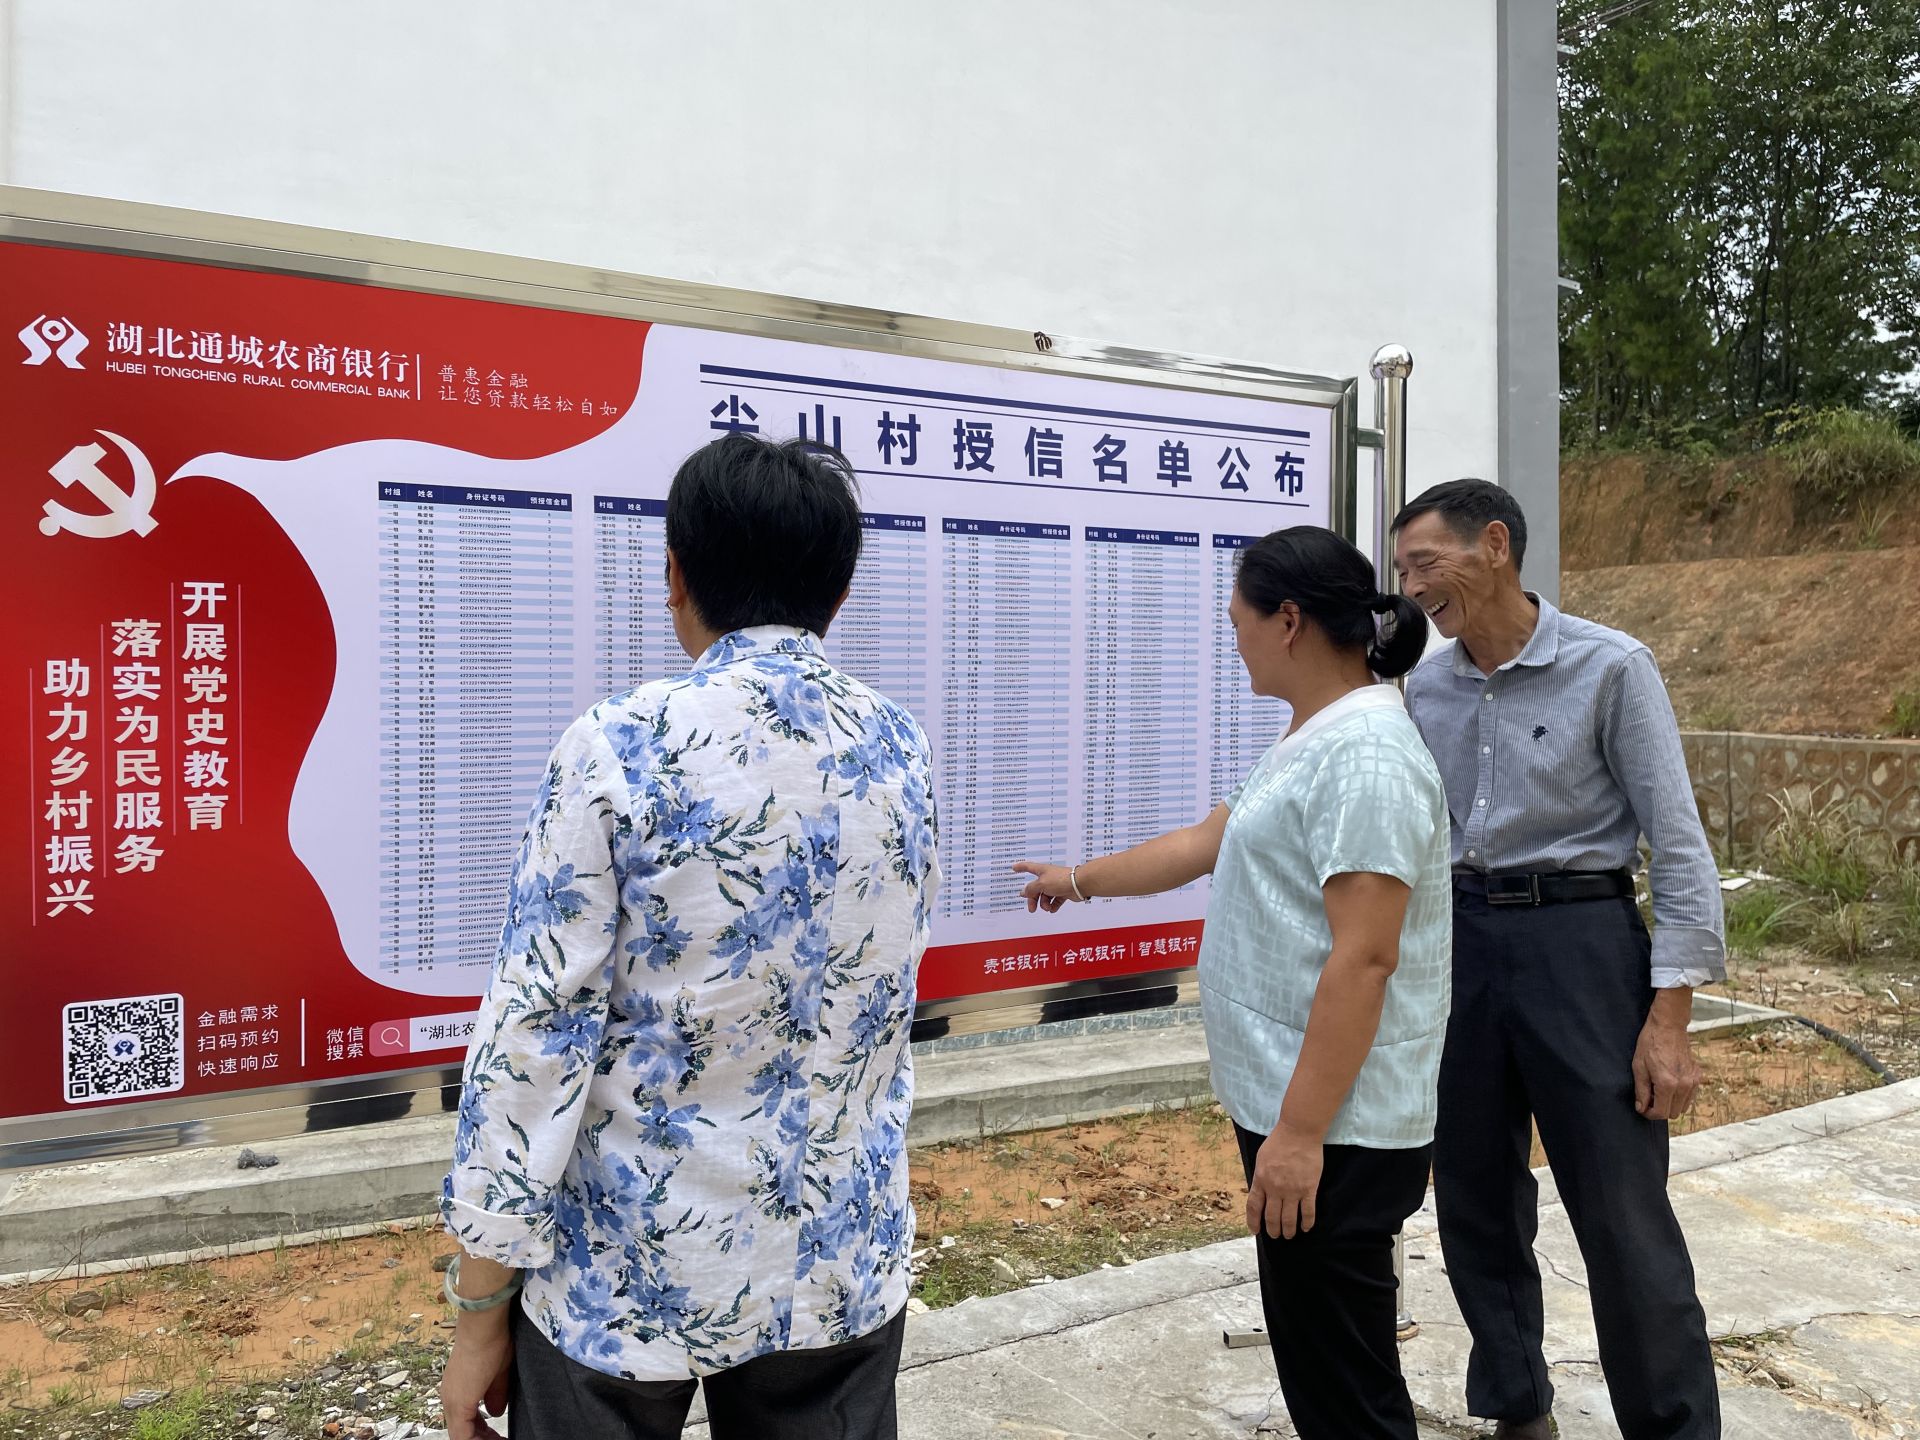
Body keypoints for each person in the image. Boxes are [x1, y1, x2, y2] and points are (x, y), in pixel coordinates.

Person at [437, 434, 940, 1440]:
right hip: (838, 1261)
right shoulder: (901, 747)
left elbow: (536, 1033)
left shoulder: (617, 747)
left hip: (624, 1276)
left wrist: (480, 1304)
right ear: (838, 593)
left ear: (675, 575)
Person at [1016, 527, 1450, 1440]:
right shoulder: (1316, 736)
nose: (1233, 634)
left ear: (1288, 621)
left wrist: (1299, 1136)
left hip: (1338, 1126)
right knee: (1322, 1367)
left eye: (1238, 618)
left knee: (1348, 1388)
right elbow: (1200, 844)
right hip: (1299, 1104)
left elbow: (1366, 958)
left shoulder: (1367, 756)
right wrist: (1077, 880)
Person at [1392, 479, 1723, 1440]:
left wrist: (1669, 1019)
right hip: (1458, 945)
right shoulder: (1426, 690)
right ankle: (1515, 1406)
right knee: (1475, 1197)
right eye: (1403, 571)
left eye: (1425, 564)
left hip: (1581, 945)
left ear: (1495, 545)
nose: (1412, 589)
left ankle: (1672, 1426)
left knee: (1622, 1212)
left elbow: (1679, 845)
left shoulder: (1611, 667)